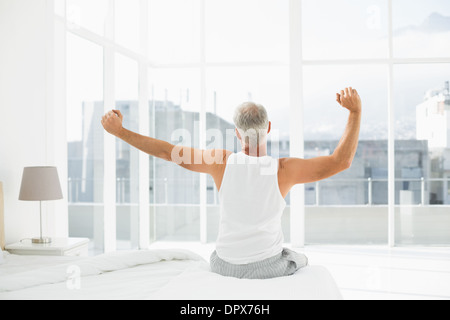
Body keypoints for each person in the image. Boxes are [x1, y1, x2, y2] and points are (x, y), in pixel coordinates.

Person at [101, 87, 362, 279]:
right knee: (298, 258)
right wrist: (355, 111)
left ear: (237, 132)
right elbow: (341, 161)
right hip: (266, 268)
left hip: (223, 265)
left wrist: (119, 131)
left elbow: (166, 151)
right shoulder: (284, 169)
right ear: (268, 127)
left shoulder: (219, 162)